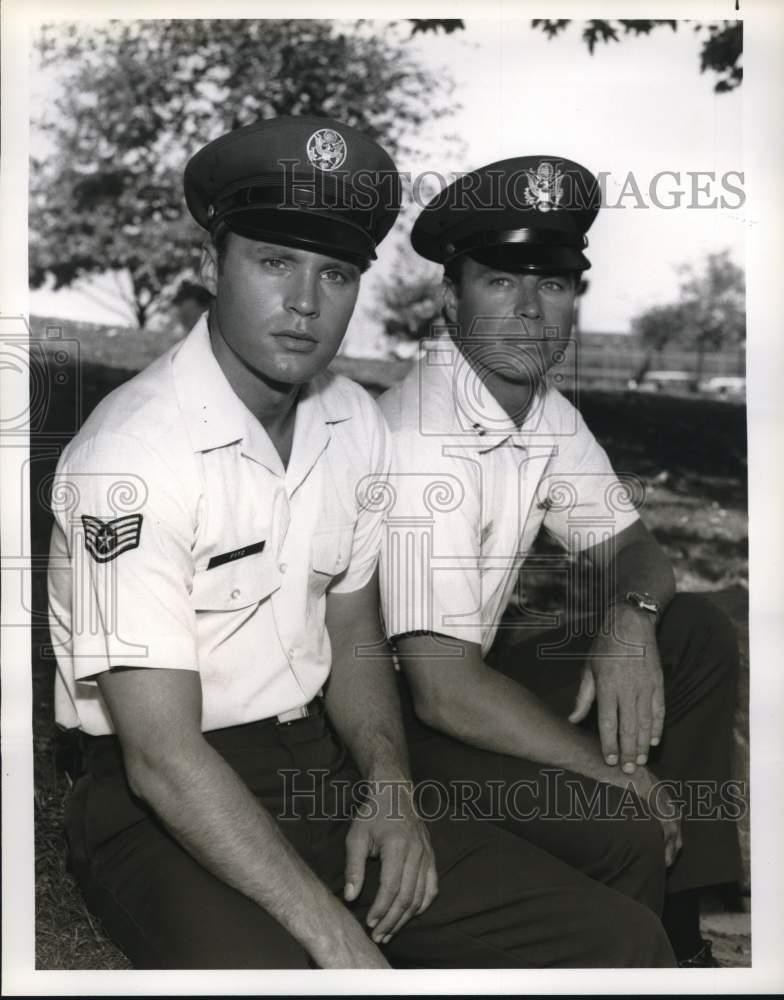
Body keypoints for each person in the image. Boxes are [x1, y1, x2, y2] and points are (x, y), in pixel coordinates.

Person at [47, 122, 674, 970]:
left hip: (322, 761)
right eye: (274, 263)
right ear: (211, 268)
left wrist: (389, 788)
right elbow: (161, 756)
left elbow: (351, 634)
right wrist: (334, 934)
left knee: (619, 939)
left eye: (335, 273)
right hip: (161, 793)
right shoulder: (130, 458)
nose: (306, 302)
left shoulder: (348, 424)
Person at [377, 155, 743, 968]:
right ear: (450, 298)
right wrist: (616, 776)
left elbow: (635, 550)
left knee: (695, 633)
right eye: (501, 281)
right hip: (397, 715)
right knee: (622, 816)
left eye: (552, 284)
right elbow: (440, 690)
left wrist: (630, 618)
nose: (530, 310)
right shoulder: (420, 438)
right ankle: (631, 917)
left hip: (466, 675)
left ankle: (685, 917)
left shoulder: (541, 408)